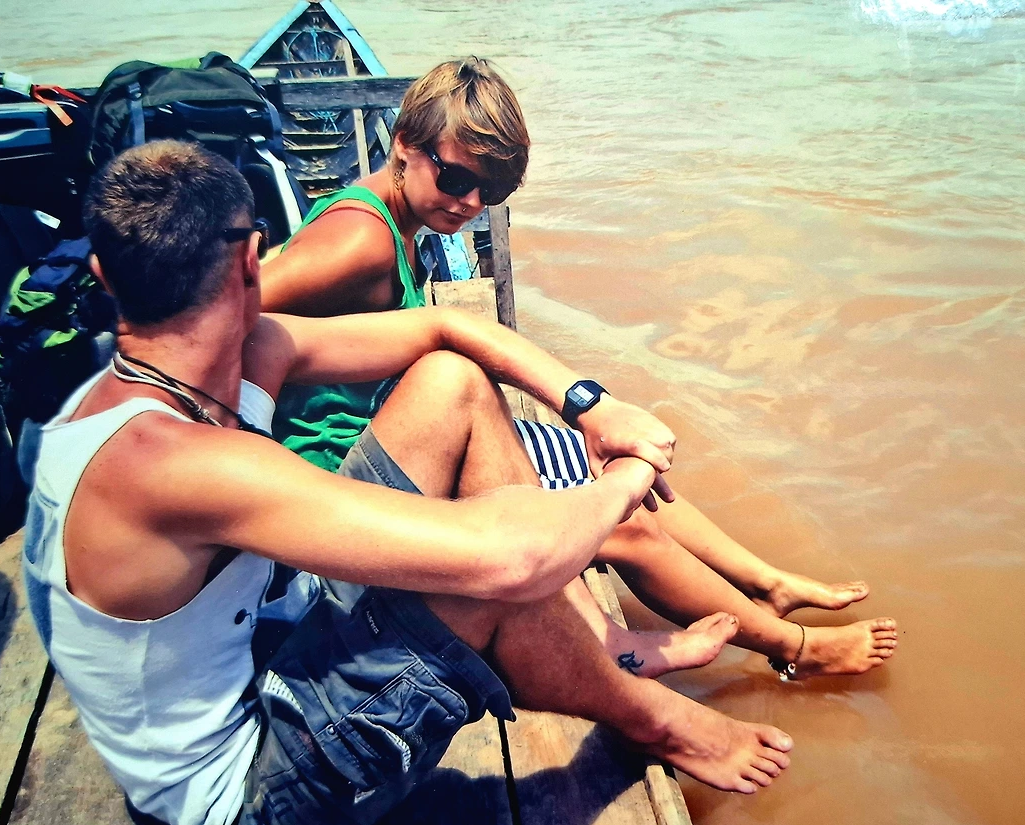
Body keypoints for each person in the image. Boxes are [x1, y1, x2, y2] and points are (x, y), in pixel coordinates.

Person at [22, 140, 796, 825]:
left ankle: (606, 654)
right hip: (245, 810)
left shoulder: (223, 359)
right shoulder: (175, 463)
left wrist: (592, 407)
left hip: (261, 639)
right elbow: (515, 561)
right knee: (485, 581)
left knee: (451, 386)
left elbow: (442, 332)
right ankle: (656, 718)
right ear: (252, 260)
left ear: (103, 274)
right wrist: (626, 477)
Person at [260, 57, 899, 680]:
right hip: (347, 472)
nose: (471, 203)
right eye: (456, 179)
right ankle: (796, 649)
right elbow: (224, 309)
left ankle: (765, 583)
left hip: (396, 432)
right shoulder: (361, 239)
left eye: (492, 192)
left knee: (610, 460)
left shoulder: (390, 217)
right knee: (623, 522)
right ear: (403, 143)